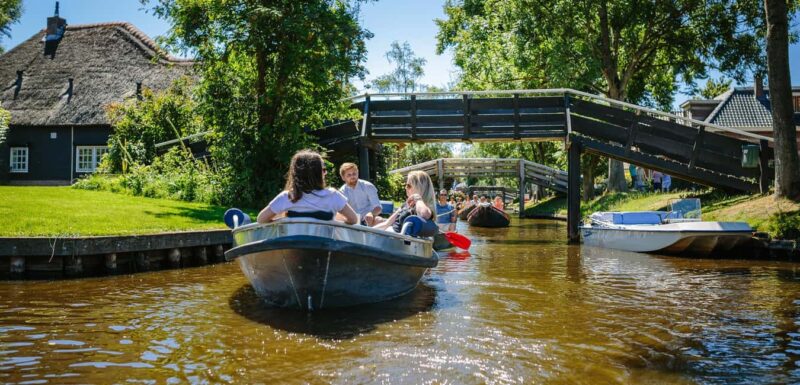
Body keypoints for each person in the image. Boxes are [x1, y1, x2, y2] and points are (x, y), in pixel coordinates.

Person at [257, 150, 358, 224]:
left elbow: (261, 219)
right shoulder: (333, 195)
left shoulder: (287, 197)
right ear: (319, 174)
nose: (325, 173)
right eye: (323, 170)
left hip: (293, 246)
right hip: (323, 245)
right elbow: (353, 219)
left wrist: (285, 220)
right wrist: (334, 221)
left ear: (295, 173)